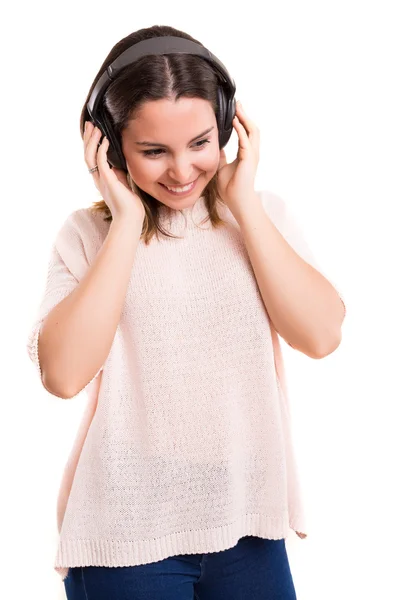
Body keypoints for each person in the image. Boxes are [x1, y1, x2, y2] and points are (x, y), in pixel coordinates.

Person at [26, 24, 346, 600]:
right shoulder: (86, 235)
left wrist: (242, 202)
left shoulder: (259, 216)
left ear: (228, 127)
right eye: (153, 151)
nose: (181, 172)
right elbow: (64, 376)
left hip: (250, 525)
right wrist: (125, 223)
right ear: (108, 143)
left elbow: (321, 336)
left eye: (200, 142)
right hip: (125, 537)